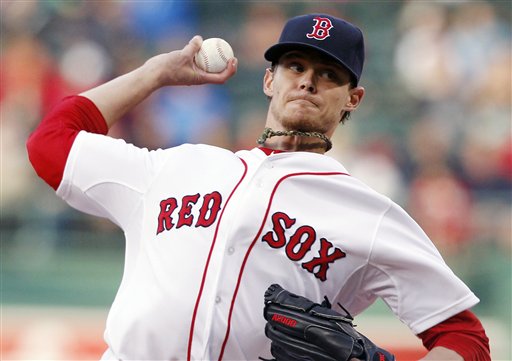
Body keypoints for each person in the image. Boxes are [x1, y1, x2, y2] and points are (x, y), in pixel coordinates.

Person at [27, 13, 490, 361]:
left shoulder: (370, 214)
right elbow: (50, 144)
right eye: (294, 65)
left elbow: (465, 337)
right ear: (269, 79)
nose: (308, 81)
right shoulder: (175, 166)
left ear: (353, 98)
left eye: (328, 74)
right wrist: (156, 75)